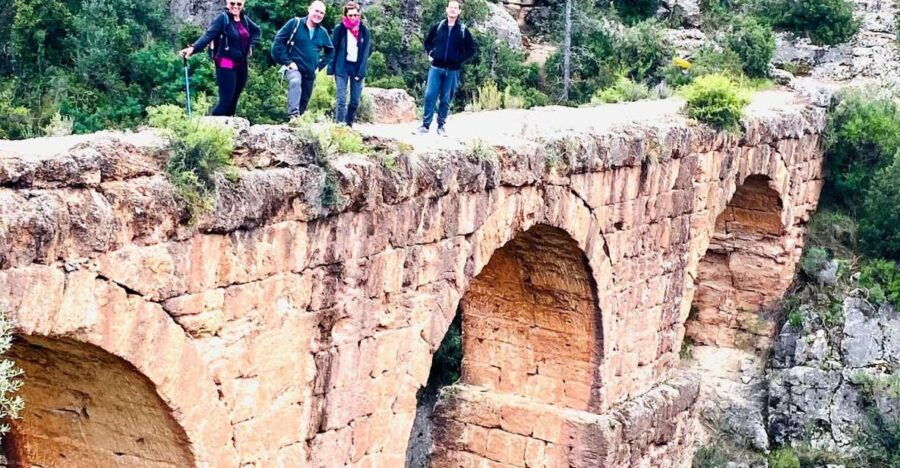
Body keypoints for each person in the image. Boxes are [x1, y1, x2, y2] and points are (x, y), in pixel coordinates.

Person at [179, 0, 261, 116]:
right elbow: (208, 35)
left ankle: (229, 126)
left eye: (239, 4)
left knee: (234, 99)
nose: (235, 6)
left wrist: (251, 46)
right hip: (225, 62)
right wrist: (193, 48)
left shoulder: (245, 20)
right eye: (232, 3)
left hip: (242, 63)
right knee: (226, 99)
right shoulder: (222, 19)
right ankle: (213, 125)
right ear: (227, 3)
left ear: (243, 4)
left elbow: (257, 31)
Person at [414, 0, 477, 137]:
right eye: (451, 7)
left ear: (459, 11)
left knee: (445, 99)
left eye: (456, 8)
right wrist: (431, 53)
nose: (453, 10)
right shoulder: (438, 26)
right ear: (446, 9)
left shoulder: (463, 30)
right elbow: (427, 43)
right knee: (430, 96)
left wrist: (459, 60)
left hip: (452, 71)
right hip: (436, 68)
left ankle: (441, 125)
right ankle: (425, 125)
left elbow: (472, 49)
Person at [271, 1, 335, 118]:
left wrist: (319, 67)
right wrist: (288, 62)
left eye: (321, 13)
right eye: (316, 11)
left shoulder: (323, 32)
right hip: (294, 68)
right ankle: (293, 115)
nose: (318, 14)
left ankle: (295, 123)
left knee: (304, 102)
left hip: (310, 72)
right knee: (295, 82)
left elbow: (330, 52)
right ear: (309, 9)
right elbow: (278, 42)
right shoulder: (295, 23)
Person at [327, 1, 373, 127]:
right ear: (346, 16)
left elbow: (365, 53)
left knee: (355, 100)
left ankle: (349, 124)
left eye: (355, 15)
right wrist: (330, 70)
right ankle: (339, 126)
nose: (353, 18)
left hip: (356, 67)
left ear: (359, 15)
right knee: (341, 99)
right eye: (350, 15)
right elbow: (333, 49)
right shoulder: (340, 29)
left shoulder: (364, 31)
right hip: (341, 66)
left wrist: (361, 72)